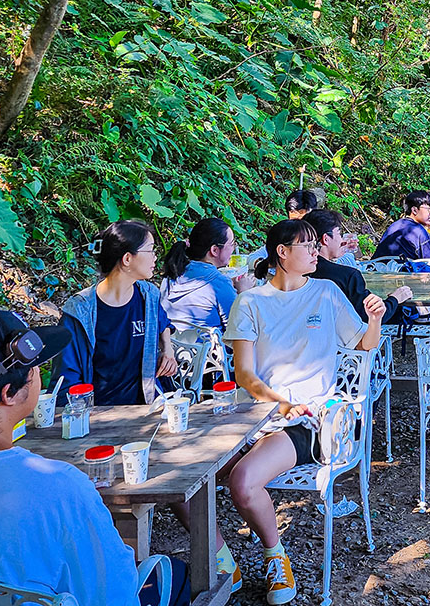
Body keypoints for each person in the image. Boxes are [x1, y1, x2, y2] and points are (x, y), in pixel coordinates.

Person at [0, 291, 189, 606]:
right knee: (176, 575)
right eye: (36, 369)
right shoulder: (59, 488)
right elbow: (115, 596)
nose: (40, 376)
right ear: (9, 394)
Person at [222, 220, 386, 604]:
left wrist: (375, 319)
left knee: (243, 483)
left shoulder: (326, 293)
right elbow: (244, 373)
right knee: (183, 481)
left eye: (316, 245)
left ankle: (275, 555)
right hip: (252, 415)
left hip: (309, 419)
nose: (317, 252)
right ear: (282, 252)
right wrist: (278, 402)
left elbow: (363, 344)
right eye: (307, 245)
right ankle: (220, 560)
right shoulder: (250, 301)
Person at [56, 220, 179, 407]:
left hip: (147, 406)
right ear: (127, 259)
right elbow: (67, 379)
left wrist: (167, 349)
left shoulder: (148, 296)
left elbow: (162, 323)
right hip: (99, 413)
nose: (155, 258)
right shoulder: (80, 312)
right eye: (151, 250)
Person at [304, 209, 412, 323]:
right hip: (342, 338)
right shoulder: (348, 276)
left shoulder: (294, 271)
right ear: (326, 239)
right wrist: (395, 299)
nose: (341, 239)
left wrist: (336, 252)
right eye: (339, 234)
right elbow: (372, 315)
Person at [160, 218, 253, 331]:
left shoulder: (172, 273)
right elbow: (240, 331)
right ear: (214, 250)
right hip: (210, 348)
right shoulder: (219, 285)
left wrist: (228, 284)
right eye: (232, 244)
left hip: (174, 347)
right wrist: (244, 293)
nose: (233, 248)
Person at [372, 191, 430, 261]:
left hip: (376, 269)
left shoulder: (394, 226)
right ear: (414, 210)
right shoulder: (419, 231)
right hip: (403, 271)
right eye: (429, 209)